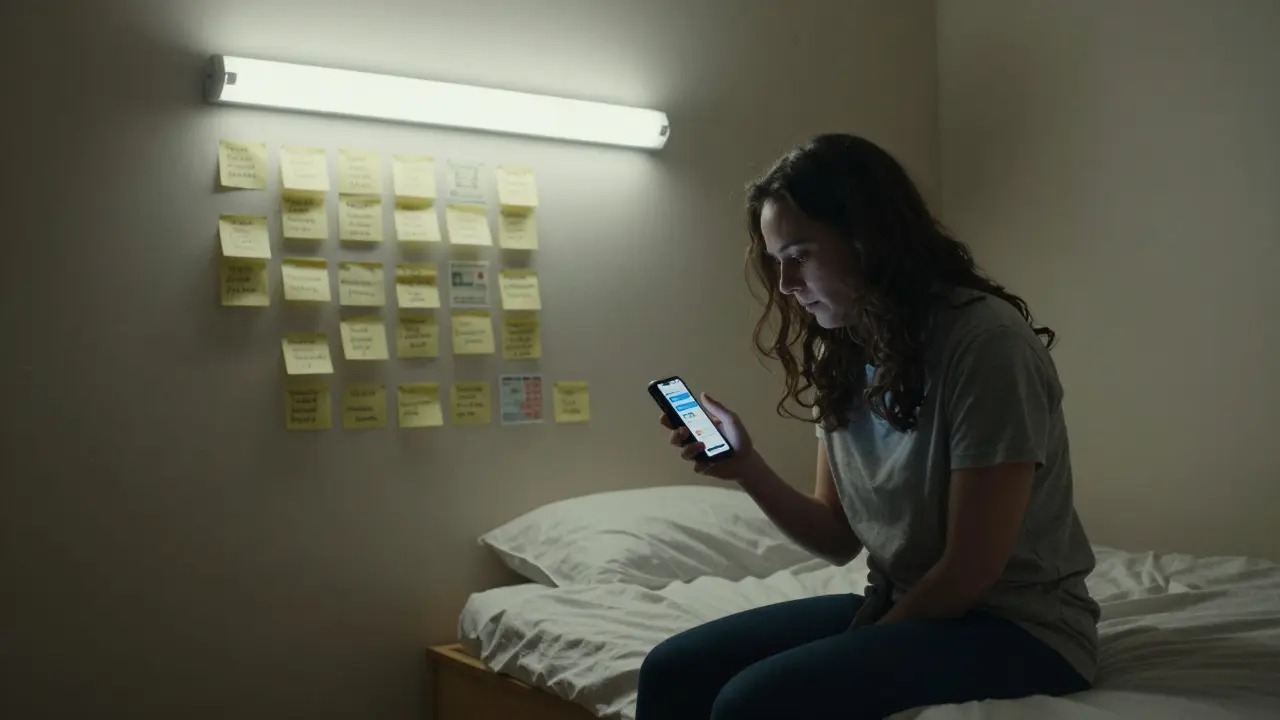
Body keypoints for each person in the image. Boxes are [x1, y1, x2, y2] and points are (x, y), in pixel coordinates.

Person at [635, 134, 1100, 720]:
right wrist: (746, 467)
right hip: (901, 604)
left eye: (799, 256)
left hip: (1020, 628)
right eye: (776, 263)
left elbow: (970, 569)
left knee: (750, 705)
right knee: (672, 669)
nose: (786, 286)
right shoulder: (845, 350)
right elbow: (836, 536)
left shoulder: (986, 346)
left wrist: (856, 649)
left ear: (868, 241)